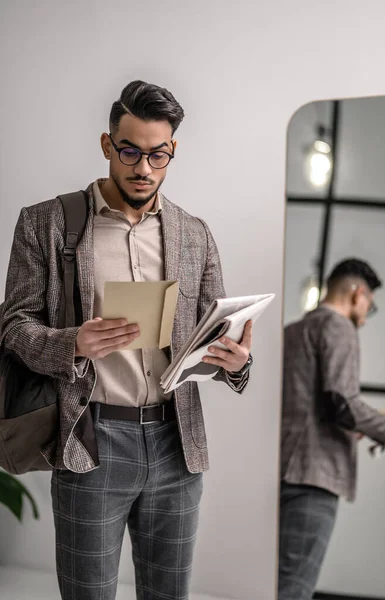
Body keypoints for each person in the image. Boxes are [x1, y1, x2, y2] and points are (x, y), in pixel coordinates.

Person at [0, 80, 253, 600]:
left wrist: (235, 362)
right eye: (130, 151)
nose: (143, 168)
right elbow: (13, 325)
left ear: (173, 150)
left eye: (158, 155)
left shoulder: (194, 233)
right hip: (92, 440)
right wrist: (72, 342)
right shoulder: (47, 224)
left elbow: (212, 334)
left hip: (175, 446)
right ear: (107, 144)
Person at [278, 258, 385, 600]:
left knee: (271, 584)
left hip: (281, 473)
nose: (365, 315)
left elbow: (314, 407)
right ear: (357, 293)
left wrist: (355, 426)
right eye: (369, 307)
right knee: (294, 588)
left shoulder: (292, 331)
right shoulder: (340, 326)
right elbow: (342, 403)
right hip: (315, 479)